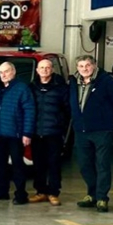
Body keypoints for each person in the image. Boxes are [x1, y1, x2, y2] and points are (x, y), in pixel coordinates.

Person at [70, 55, 113, 213]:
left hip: (102, 131)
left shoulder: (106, 81)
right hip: (81, 131)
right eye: (81, 66)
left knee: (102, 164)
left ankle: (102, 198)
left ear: (94, 66)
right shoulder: (74, 82)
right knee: (84, 165)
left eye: (88, 65)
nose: (84, 69)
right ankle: (92, 194)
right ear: (77, 68)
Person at [0, 62, 36, 204]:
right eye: (1, 72)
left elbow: (29, 111)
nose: (3, 75)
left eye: (6, 71)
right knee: (0, 165)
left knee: (17, 165)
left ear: (13, 72)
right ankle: (2, 191)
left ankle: (21, 195)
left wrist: (27, 133)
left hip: (15, 135)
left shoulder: (22, 89)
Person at [30, 59, 69, 206]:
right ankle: (40, 192)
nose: (44, 70)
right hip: (36, 132)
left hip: (54, 133)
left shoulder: (61, 88)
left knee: (54, 164)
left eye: (47, 68)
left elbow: (67, 110)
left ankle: (53, 193)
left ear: (52, 70)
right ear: (37, 71)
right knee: (38, 164)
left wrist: (61, 126)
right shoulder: (31, 87)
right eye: (42, 67)